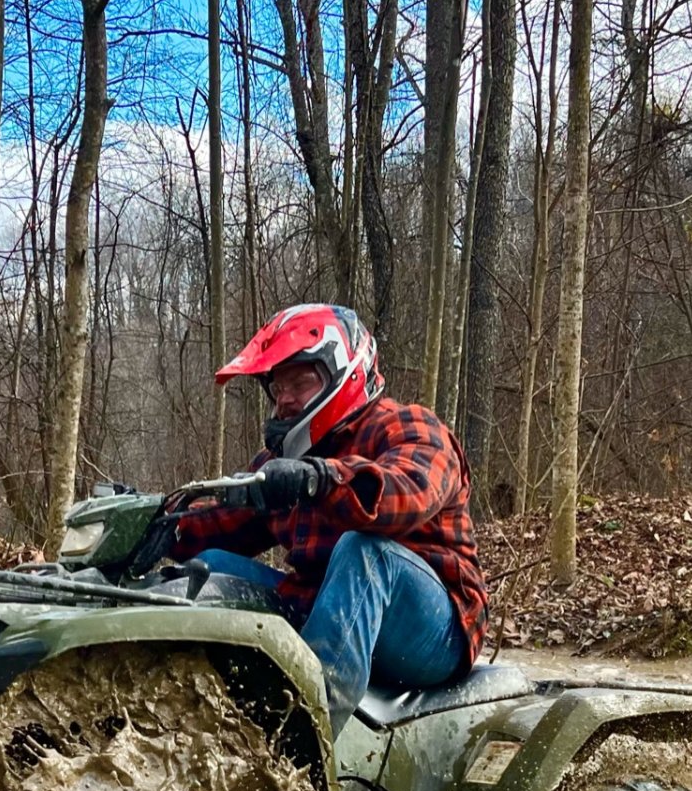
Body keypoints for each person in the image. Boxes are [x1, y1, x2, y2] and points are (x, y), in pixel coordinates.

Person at [168, 303, 488, 738]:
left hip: (436, 631)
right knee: (210, 567)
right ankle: (188, 714)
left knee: (365, 552)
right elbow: (224, 519)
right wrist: (159, 523)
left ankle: (301, 740)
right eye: (277, 386)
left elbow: (407, 491)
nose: (285, 398)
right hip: (326, 606)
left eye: (300, 381)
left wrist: (322, 480)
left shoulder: (408, 426)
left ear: (345, 370)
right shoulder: (283, 462)